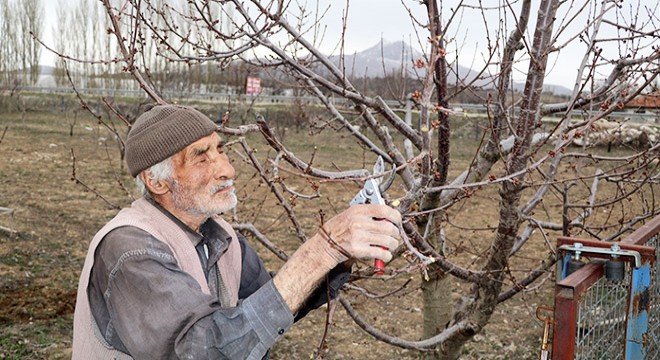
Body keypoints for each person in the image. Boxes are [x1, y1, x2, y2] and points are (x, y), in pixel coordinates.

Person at [72, 104, 402, 360]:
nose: (227, 170)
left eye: (221, 150)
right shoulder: (129, 249)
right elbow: (201, 351)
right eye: (200, 157)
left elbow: (274, 304)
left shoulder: (220, 237)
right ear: (156, 181)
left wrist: (342, 255)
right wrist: (323, 249)